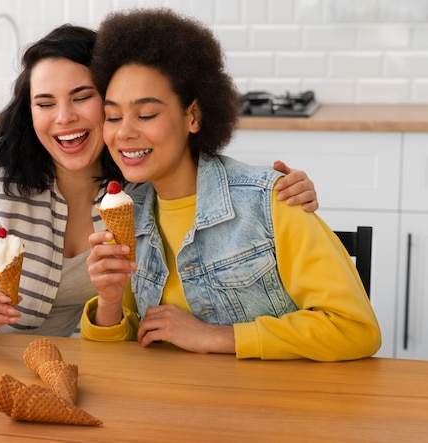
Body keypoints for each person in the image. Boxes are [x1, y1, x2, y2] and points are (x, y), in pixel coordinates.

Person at [0, 23, 319, 339]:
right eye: (45, 103)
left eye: (81, 96)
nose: (64, 118)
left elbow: (210, 175)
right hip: (3, 363)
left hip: (106, 370)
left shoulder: (141, 184)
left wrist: (277, 189)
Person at [80, 8, 381, 361]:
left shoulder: (272, 201)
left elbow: (356, 329)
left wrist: (215, 337)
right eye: (113, 117)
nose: (125, 132)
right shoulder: (130, 212)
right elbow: (120, 358)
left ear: (193, 116)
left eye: (146, 114)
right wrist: (110, 301)